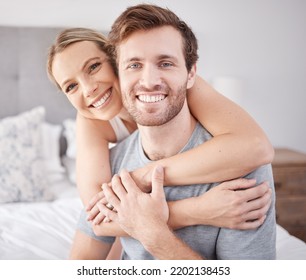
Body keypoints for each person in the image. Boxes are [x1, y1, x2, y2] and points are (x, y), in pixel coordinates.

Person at [47, 9, 274, 259]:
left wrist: (142, 177)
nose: (89, 89)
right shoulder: (93, 124)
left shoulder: (187, 86)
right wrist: (195, 210)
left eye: (93, 67)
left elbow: (256, 147)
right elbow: (100, 219)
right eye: (71, 86)